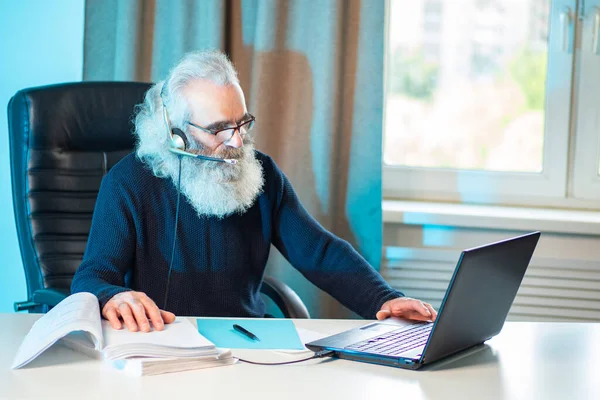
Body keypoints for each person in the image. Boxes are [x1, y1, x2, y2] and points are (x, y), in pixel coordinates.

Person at [71, 50, 437, 332]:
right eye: (218, 128)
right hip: (163, 346)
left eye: (241, 122)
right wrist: (113, 296)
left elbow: (320, 252)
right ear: (177, 134)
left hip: (248, 344)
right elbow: (91, 277)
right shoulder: (128, 183)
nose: (236, 141)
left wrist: (387, 299)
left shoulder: (262, 174)